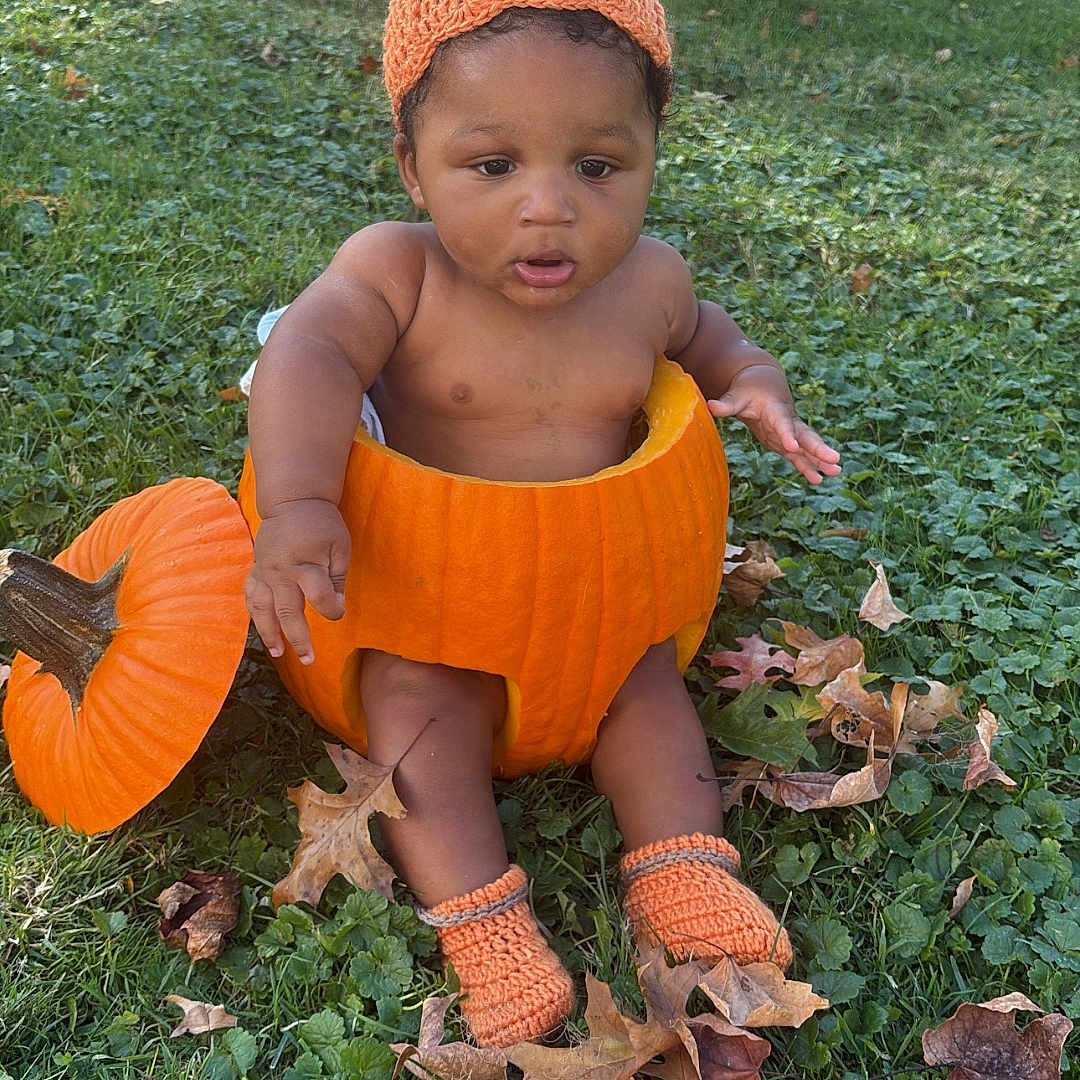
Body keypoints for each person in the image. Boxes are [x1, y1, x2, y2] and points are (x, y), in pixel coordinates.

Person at [243, 0, 841, 1048]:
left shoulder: (652, 284)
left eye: (597, 167)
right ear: (414, 167)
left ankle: (683, 866)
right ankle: (483, 923)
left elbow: (715, 341)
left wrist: (755, 382)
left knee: (649, 699)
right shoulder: (396, 273)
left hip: (599, 609)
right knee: (417, 723)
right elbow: (309, 353)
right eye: (493, 166)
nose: (549, 207)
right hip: (429, 614)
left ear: (651, 157)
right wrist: (297, 504)